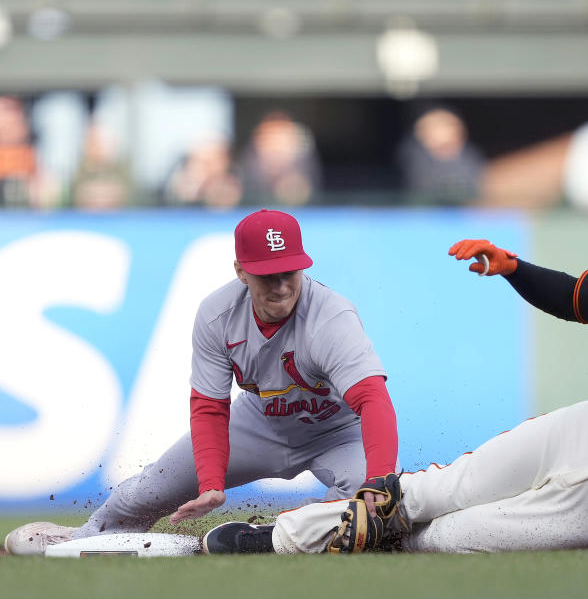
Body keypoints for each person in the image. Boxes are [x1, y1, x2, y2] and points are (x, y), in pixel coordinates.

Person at [201, 230, 588, 554]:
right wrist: (514, 268)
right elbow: (574, 298)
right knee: (430, 492)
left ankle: (355, 543)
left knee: (447, 539)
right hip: (583, 428)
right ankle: (272, 540)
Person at [4, 209, 399, 555]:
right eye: (267, 274)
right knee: (149, 490)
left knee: (362, 512)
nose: (280, 285)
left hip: (338, 432)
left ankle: (267, 538)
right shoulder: (217, 314)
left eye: (289, 271)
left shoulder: (331, 317)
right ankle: (84, 539)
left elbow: (372, 399)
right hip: (260, 422)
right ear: (241, 271)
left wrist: (379, 479)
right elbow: (210, 406)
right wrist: (210, 482)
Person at [395, 105, 486, 206]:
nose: (447, 131)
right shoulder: (412, 154)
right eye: (436, 126)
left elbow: (477, 187)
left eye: (452, 125)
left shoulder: (470, 155)